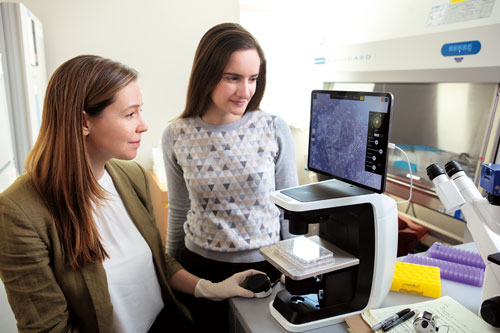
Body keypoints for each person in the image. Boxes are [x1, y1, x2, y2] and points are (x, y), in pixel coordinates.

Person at [0, 55, 262, 333]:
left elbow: (157, 261)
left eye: (140, 111)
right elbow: (48, 329)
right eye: (130, 114)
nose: (143, 125)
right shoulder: (19, 212)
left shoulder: (131, 176)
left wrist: (212, 289)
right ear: (84, 122)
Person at [162, 23, 299, 331]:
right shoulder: (176, 134)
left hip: (267, 265)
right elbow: (179, 211)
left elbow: (291, 208)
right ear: (206, 74)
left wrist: (296, 268)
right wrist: (170, 272)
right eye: (233, 78)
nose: (245, 91)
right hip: (201, 268)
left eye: (253, 78)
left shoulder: (273, 127)